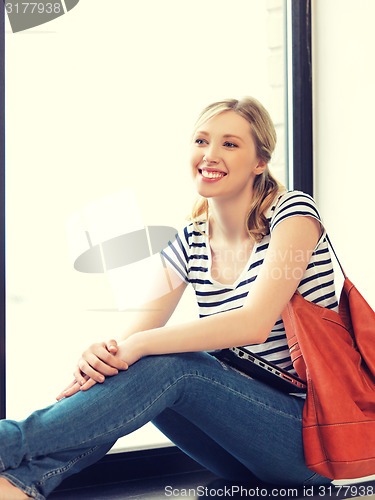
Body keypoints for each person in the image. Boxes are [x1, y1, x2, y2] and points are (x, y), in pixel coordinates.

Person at [0, 97, 337, 500]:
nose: (210, 155)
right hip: (243, 454)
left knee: (174, 364)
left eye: (230, 144)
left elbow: (254, 322)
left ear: (260, 162)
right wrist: (104, 355)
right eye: (201, 140)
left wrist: (137, 347)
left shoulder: (293, 214)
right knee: (135, 367)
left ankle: (10, 444)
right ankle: (21, 485)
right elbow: (127, 349)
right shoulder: (192, 240)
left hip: (318, 446)